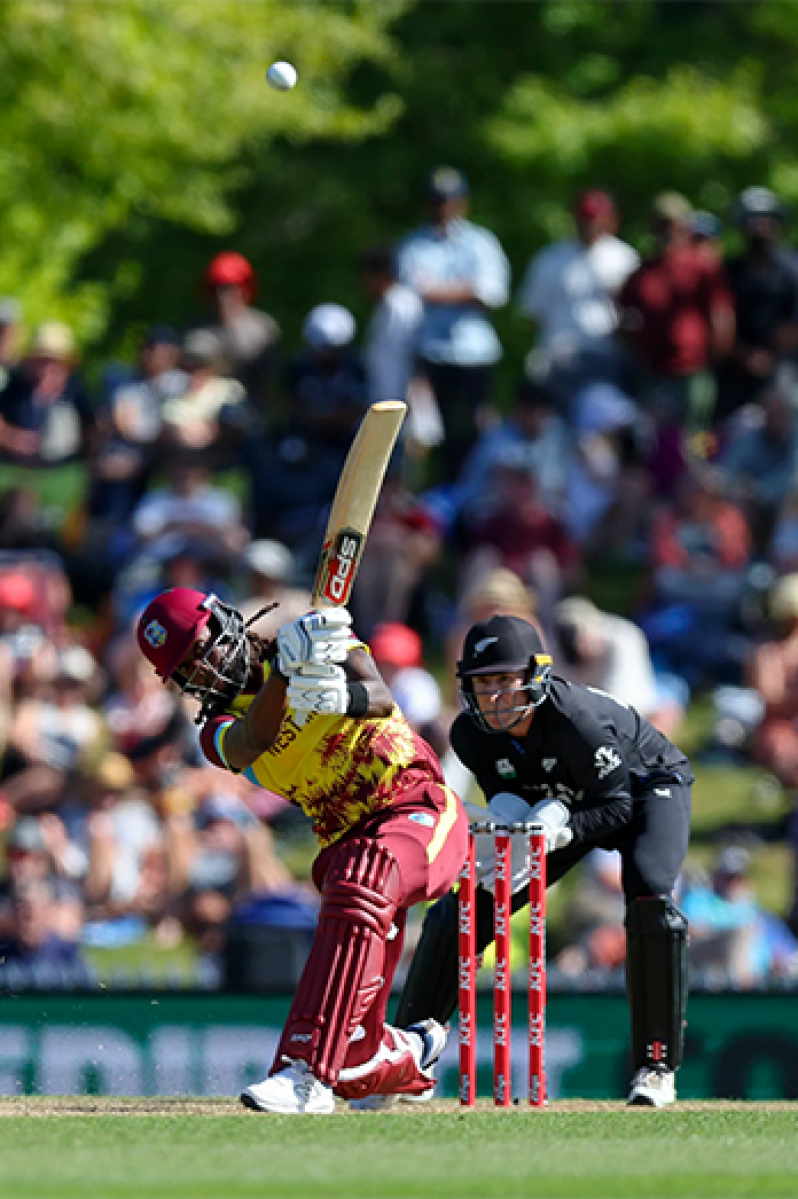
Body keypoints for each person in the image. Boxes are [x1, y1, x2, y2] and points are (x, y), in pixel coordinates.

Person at [135, 586, 468, 1113]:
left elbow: (380, 697)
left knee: (365, 873)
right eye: (189, 668)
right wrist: (290, 677)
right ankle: (406, 1052)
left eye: (206, 648)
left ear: (226, 624)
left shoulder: (318, 639)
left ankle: (306, 1072)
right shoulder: (214, 733)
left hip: (417, 806)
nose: (207, 667)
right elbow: (251, 740)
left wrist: (335, 689)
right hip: (350, 844)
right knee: (355, 1053)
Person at [393, 613, 693, 1107]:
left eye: (505, 682)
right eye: (482, 683)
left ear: (535, 675)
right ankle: (405, 1054)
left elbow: (616, 805)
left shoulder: (576, 721)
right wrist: (526, 830)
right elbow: (509, 796)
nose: (493, 698)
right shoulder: (470, 735)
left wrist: (564, 829)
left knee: (650, 901)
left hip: (643, 789)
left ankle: (656, 1066)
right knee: (464, 907)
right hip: (557, 804)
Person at [396, 166, 510, 481]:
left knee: (476, 430)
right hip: (429, 355)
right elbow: (410, 292)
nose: (443, 207)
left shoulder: (481, 242)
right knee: (424, 435)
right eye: (436, 200)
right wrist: (465, 289)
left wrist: (436, 291)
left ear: (462, 202)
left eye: (449, 199)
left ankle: (474, 503)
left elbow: (492, 292)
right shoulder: (412, 245)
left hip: (474, 355)